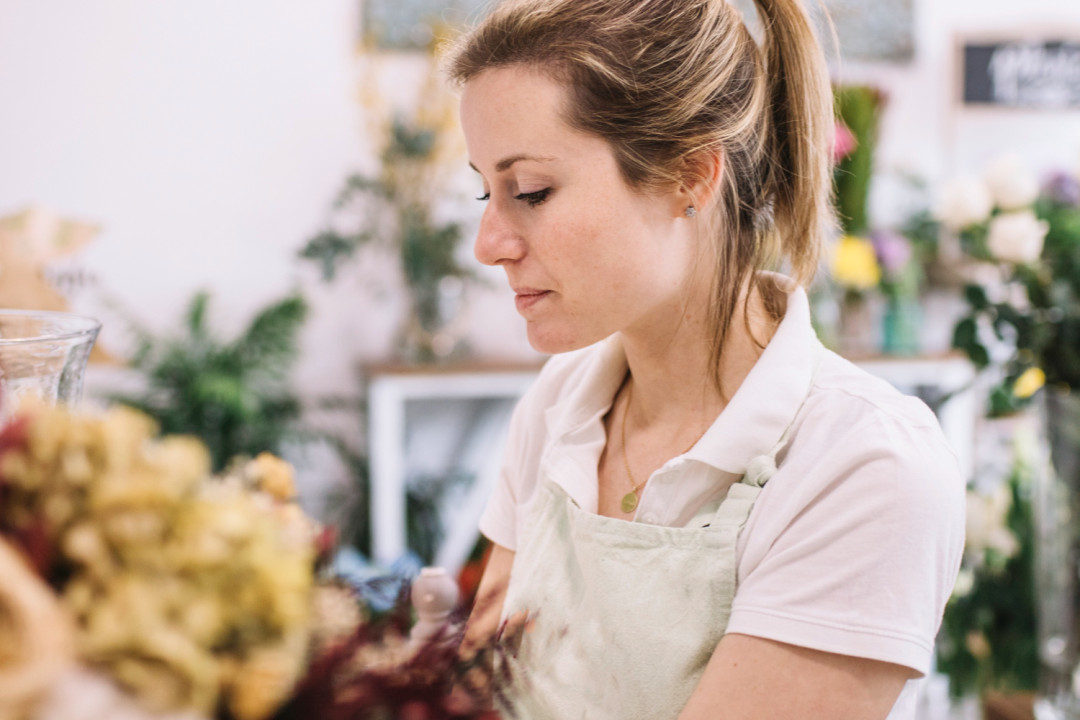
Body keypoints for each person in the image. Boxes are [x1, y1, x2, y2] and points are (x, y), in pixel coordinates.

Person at [445, 0, 965, 717]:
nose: (489, 242)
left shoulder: (865, 465)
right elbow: (475, 701)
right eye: (485, 190)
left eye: (530, 191)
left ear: (690, 174)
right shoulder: (560, 404)